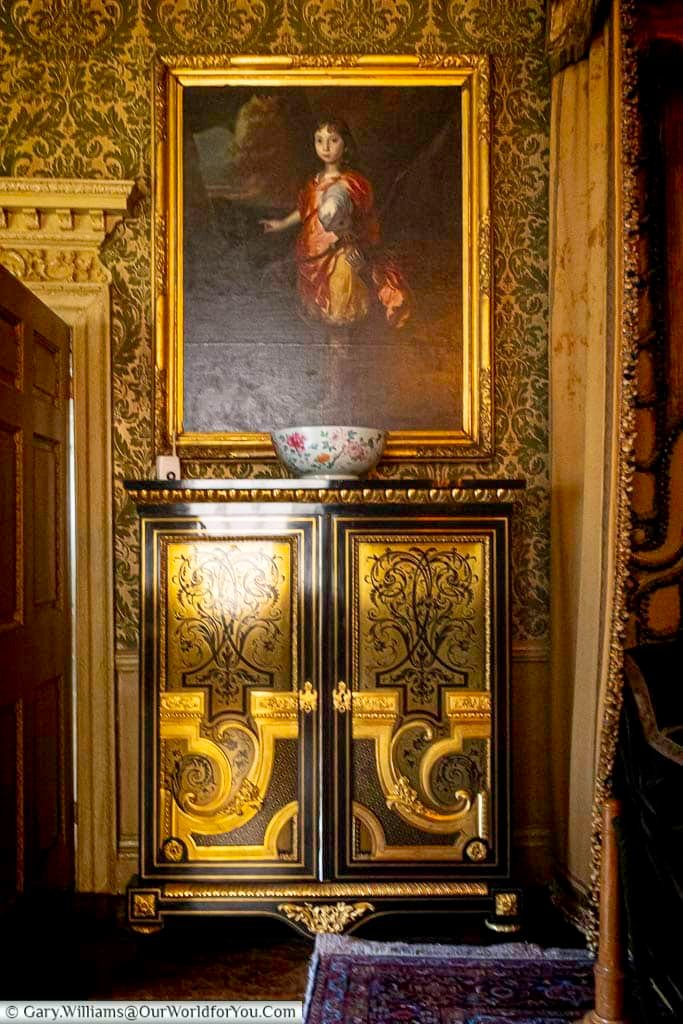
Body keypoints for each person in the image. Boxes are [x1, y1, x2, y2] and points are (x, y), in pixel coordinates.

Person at [261, 117, 411, 329]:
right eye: (319, 140)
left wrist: (344, 225)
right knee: (318, 312)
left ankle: (343, 347)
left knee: (341, 302)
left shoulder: (353, 183)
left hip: (340, 249)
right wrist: (282, 223)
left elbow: (354, 211)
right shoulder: (313, 182)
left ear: (345, 144)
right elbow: (306, 211)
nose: (325, 147)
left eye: (333, 140)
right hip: (312, 248)